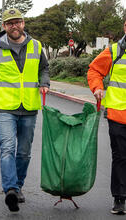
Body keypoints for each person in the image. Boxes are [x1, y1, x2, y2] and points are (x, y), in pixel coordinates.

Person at [0, 8, 50, 212]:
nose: (14, 26)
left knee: (24, 153)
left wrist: (45, 82)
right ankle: (10, 189)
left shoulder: (36, 46)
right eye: (10, 23)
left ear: (23, 23)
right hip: (5, 108)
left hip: (29, 107)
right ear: (4, 27)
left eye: (17, 22)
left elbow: (44, 68)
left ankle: (18, 187)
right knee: (7, 148)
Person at [87, 21, 126, 215]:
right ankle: (120, 199)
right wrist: (97, 87)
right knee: (120, 157)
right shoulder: (114, 51)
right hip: (118, 113)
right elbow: (94, 70)